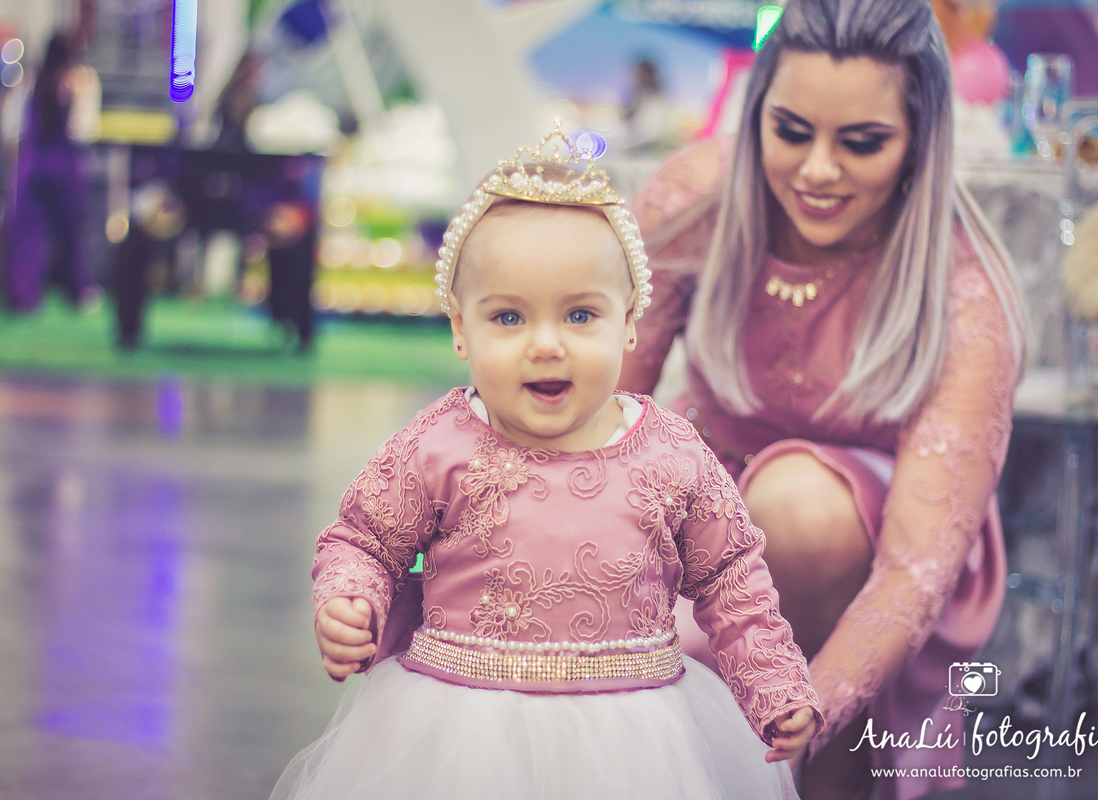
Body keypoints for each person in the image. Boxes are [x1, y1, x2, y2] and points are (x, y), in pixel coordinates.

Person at [271, 127, 822, 800]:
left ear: (629, 322)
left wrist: (773, 683)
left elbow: (731, 577)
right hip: (460, 733)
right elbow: (363, 540)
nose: (546, 345)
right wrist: (350, 600)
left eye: (580, 315)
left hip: (634, 742)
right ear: (460, 328)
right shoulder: (439, 444)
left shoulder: (672, 452)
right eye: (508, 318)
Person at [617, 2, 1025, 799]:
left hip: (881, 540)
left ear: (920, 142)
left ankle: (828, 778)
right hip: (711, 501)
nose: (817, 171)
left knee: (797, 504)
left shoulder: (968, 294)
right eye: (792, 131)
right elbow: (600, 411)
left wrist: (806, 709)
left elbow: (913, 571)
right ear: (756, 112)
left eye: (861, 142)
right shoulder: (695, 197)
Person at [6, 32, 96, 311]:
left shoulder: (29, 80)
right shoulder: (81, 80)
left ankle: (24, 297)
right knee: (71, 235)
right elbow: (83, 130)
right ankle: (78, 293)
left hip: (32, 167)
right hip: (65, 167)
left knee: (28, 237)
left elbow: (13, 128)